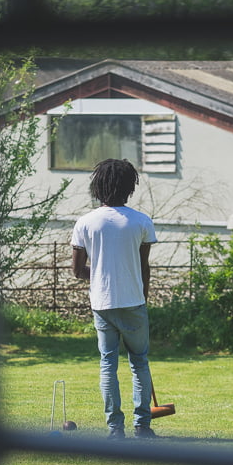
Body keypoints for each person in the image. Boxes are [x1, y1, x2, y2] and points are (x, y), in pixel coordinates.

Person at [71, 159, 158, 440]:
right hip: (134, 302)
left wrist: (97, 274)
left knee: (108, 363)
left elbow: (76, 270)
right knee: (139, 362)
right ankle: (143, 426)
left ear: (99, 186)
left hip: (102, 304)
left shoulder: (85, 222)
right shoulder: (142, 221)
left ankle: (115, 429)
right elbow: (144, 268)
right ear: (129, 187)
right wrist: (142, 297)